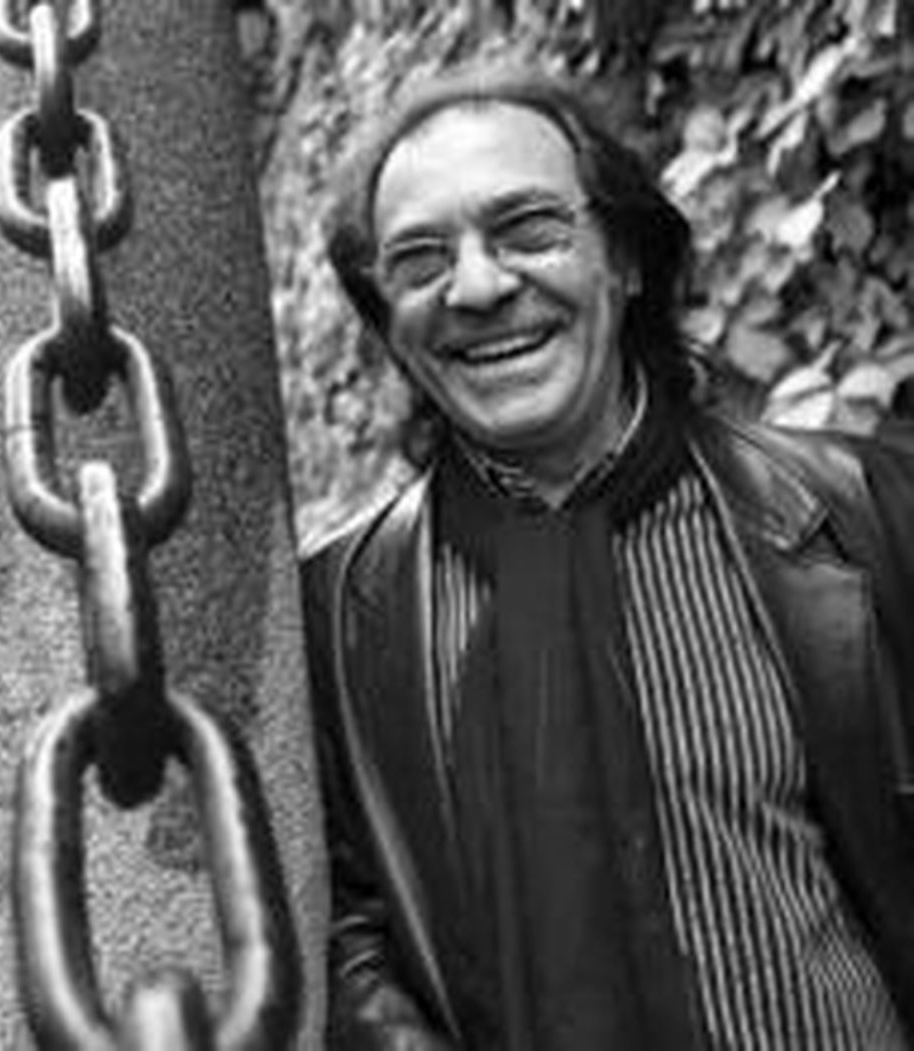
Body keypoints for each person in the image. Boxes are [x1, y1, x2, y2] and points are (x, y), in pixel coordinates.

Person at [303, 64, 914, 1050]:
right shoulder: (335, 616)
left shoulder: (865, 511)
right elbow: (348, 915)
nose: (477, 286)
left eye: (528, 230)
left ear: (624, 258)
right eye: (418, 261)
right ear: (386, 320)